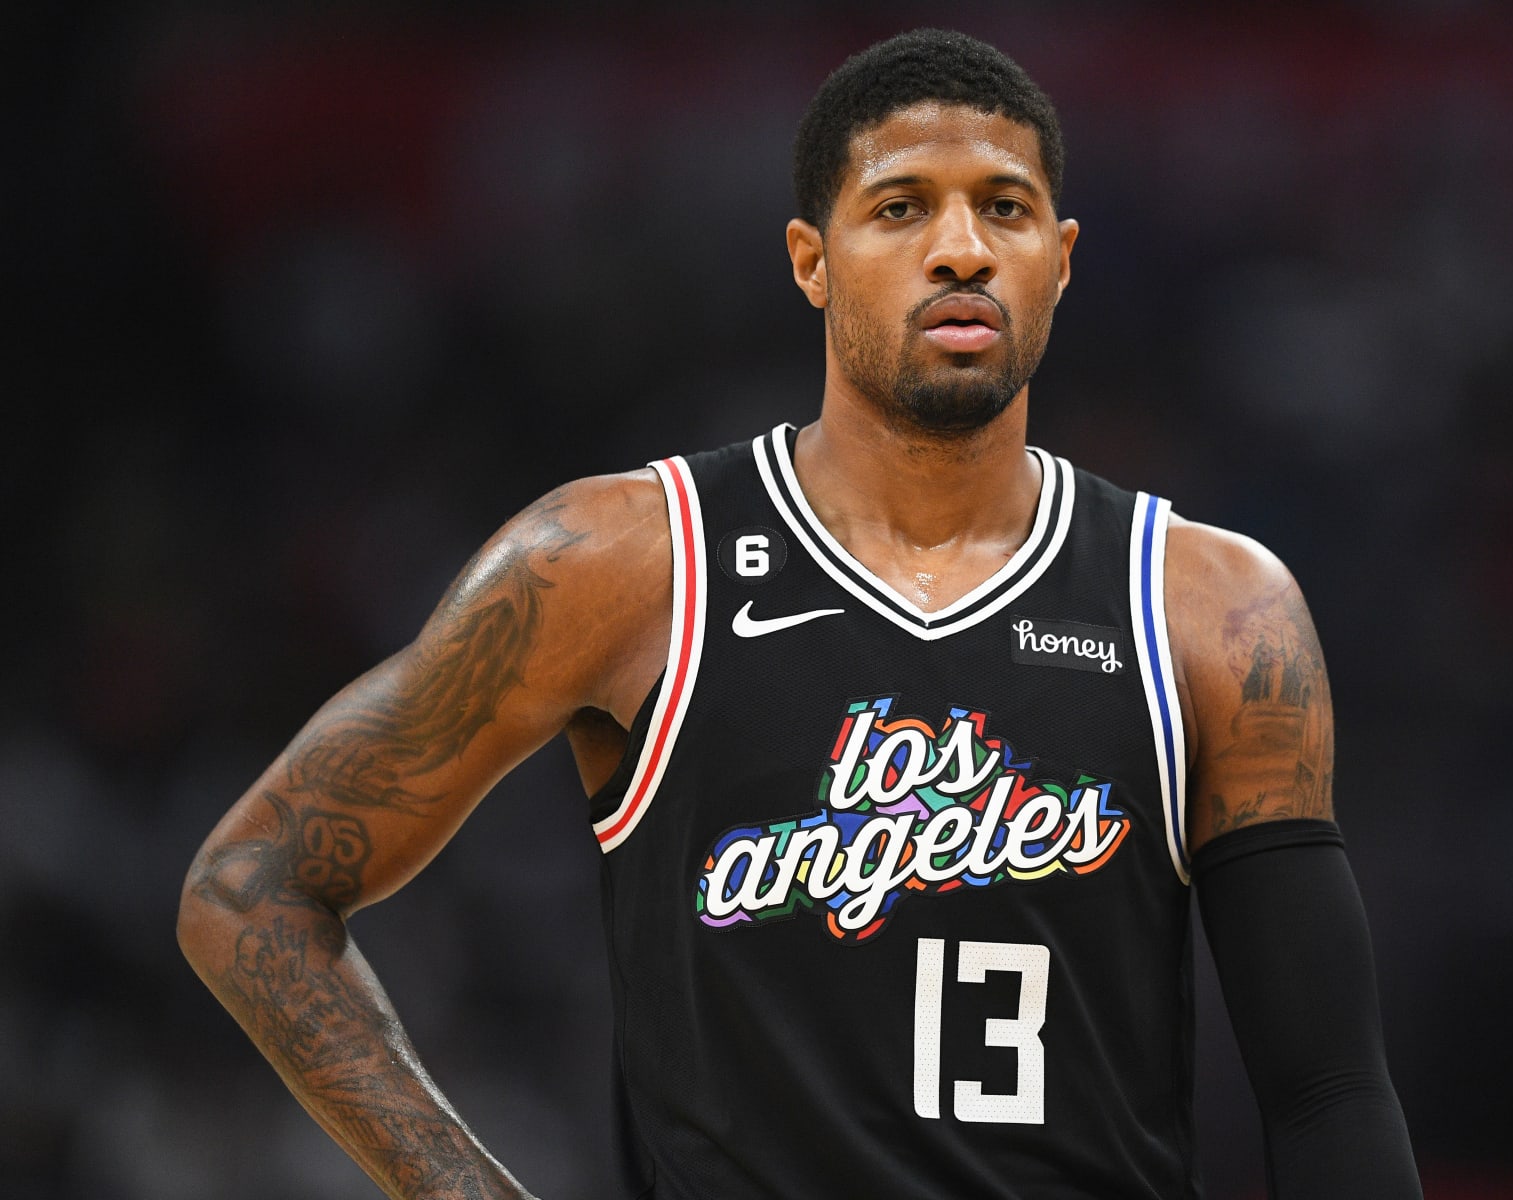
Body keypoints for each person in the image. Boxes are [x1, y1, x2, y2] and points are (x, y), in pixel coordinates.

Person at [178, 28, 1421, 1200]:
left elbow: (1326, 1091)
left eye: (1005, 207)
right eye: (901, 208)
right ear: (809, 260)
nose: (962, 249)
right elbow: (250, 887)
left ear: (1063, 256)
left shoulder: (1209, 605)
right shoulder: (627, 560)